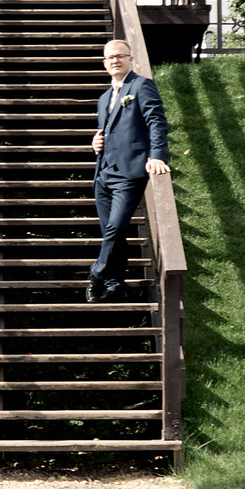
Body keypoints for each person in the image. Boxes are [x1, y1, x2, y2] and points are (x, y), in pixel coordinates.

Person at [88, 38, 169, 303]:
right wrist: (95, 142)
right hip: (103, 174)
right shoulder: (103, 98)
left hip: (129, 171)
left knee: (116, 227)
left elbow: (156, 121)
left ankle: (97, 273)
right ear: (104, 64)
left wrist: (156, 155)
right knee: (112, 232)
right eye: (110, 58)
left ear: (130, 59)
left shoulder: (141, 85)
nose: (115, 60)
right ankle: (115, 285)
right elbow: (107, 130)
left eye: (120, 56)